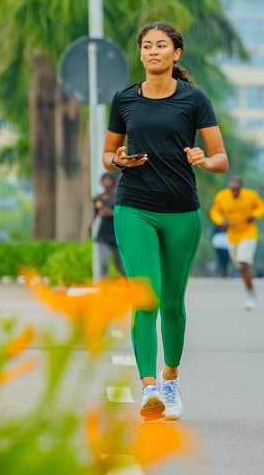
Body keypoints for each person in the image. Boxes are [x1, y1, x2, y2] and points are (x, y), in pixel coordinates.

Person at [103, 21, 228, 421]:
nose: (153, 51)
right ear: (140, 53)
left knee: (172, 301)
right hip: (134, 206)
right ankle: (149, 388)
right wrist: (117, 160)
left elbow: (221, 158)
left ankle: (170, 380)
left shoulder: (194, 100)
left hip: (181, 211)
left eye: (162, 45)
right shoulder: (124, 100)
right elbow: (107, 154)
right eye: (146, 45)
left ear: (176, 54)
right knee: (147, 296)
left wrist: (202, 160)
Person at [210, 177, 264, 309]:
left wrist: (254, 215)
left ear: (241, 188)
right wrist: (221, 221)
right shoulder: (222, 196)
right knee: (241, 267)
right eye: (232, 190)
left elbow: (261, 207)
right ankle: (253, 291)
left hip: (248, 233)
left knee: (243, 265)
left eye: (237, 190)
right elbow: (215, 211)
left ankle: (251, 296)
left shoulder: (250, 195)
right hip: (232, 235)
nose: (234, 192)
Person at [86, 173, 125, 278]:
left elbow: (121, 214)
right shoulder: (98, 199)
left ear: (113, 182)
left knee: (120, 266)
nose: (106, 183)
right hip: (103, 235)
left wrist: (110, 212)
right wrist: (89, 224)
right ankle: (103, 288)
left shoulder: (117, 197)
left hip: (116, 234)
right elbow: (94, 213)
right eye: (104, 180)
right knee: (103, 263)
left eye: (109, 180)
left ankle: (129, 288)